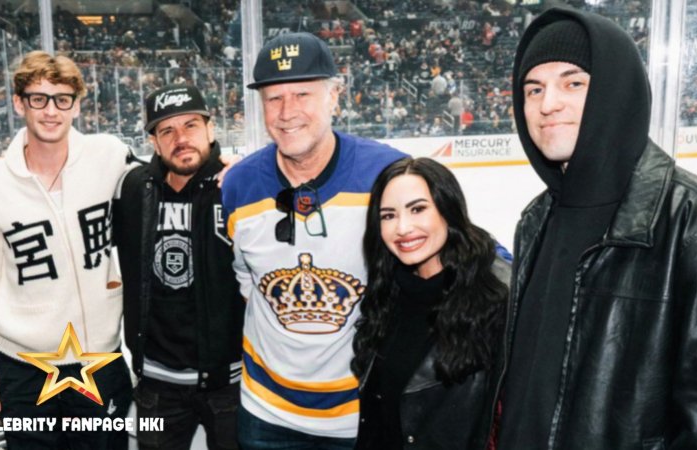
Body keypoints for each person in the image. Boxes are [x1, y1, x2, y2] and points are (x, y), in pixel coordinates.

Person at [496, 7, 697, 449]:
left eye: (573, 83)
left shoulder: (695, 223)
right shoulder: (534, 220)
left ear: (615, 90)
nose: (547, 103)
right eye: (533, 89)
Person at [221, 32, 405, 448]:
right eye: (273, 98)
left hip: (360, 415)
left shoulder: (389, 174)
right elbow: (248, 284)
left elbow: (453, 251)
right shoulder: (238, 185)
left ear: (335, 96)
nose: (287, 112)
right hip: (266, 412)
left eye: (303, 94)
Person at [0, 50, 132, 449]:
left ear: (77, 105)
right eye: (38, 99)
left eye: (62, 99)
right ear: (19, 103)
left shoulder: (109, 156)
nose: (51, 111)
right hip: (23, 368)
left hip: (100, 361)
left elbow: (164, 181)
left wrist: (222, 166)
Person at [113, 84, 244, 450]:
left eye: (190, 126)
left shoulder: (239, 183)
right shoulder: (134, 189)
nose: (180, 139)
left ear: (210, 129)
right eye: (166, 130)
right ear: (154, 142)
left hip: (229, 383)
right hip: (157, 386)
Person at [351, 157, 509, 449]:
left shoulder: (496, 300)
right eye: (388, 215)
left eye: (418, 209)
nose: (402, 227)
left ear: (447, 210)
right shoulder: (387, 292)